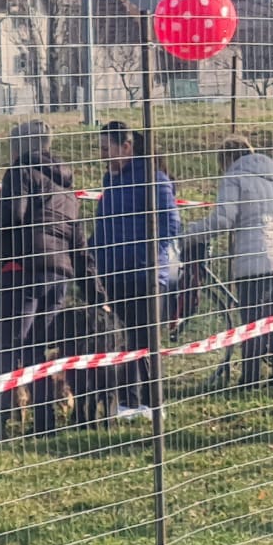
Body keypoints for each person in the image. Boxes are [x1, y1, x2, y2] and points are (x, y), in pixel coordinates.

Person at [0, 121, 107, 441]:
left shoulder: (20, 170)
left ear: (20, 146)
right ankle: (44, 422)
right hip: (58, 276)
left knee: (8, 346)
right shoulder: (66, 188)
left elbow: (11, 217)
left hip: (23, 268)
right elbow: (80, 246)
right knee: (36, 349)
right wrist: (96, 292)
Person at [186, 137, 273, 387]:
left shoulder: (234, 177)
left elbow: (222, 219)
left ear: (228, 160)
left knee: (252, 322)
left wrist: (188, 234)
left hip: (256, 260)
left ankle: (250, 379)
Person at [91, 120, 181, 421]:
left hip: (145, 276)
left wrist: (144, 258)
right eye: (100, 149)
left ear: (126, 147)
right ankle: (128, 404)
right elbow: (104, 229)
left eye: (107, 148)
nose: (102, 155)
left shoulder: (153, 180)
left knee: (146, 342)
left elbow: (169, 225)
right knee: (122, 341)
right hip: (114, 276)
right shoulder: (110, 182)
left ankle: (154, 404)